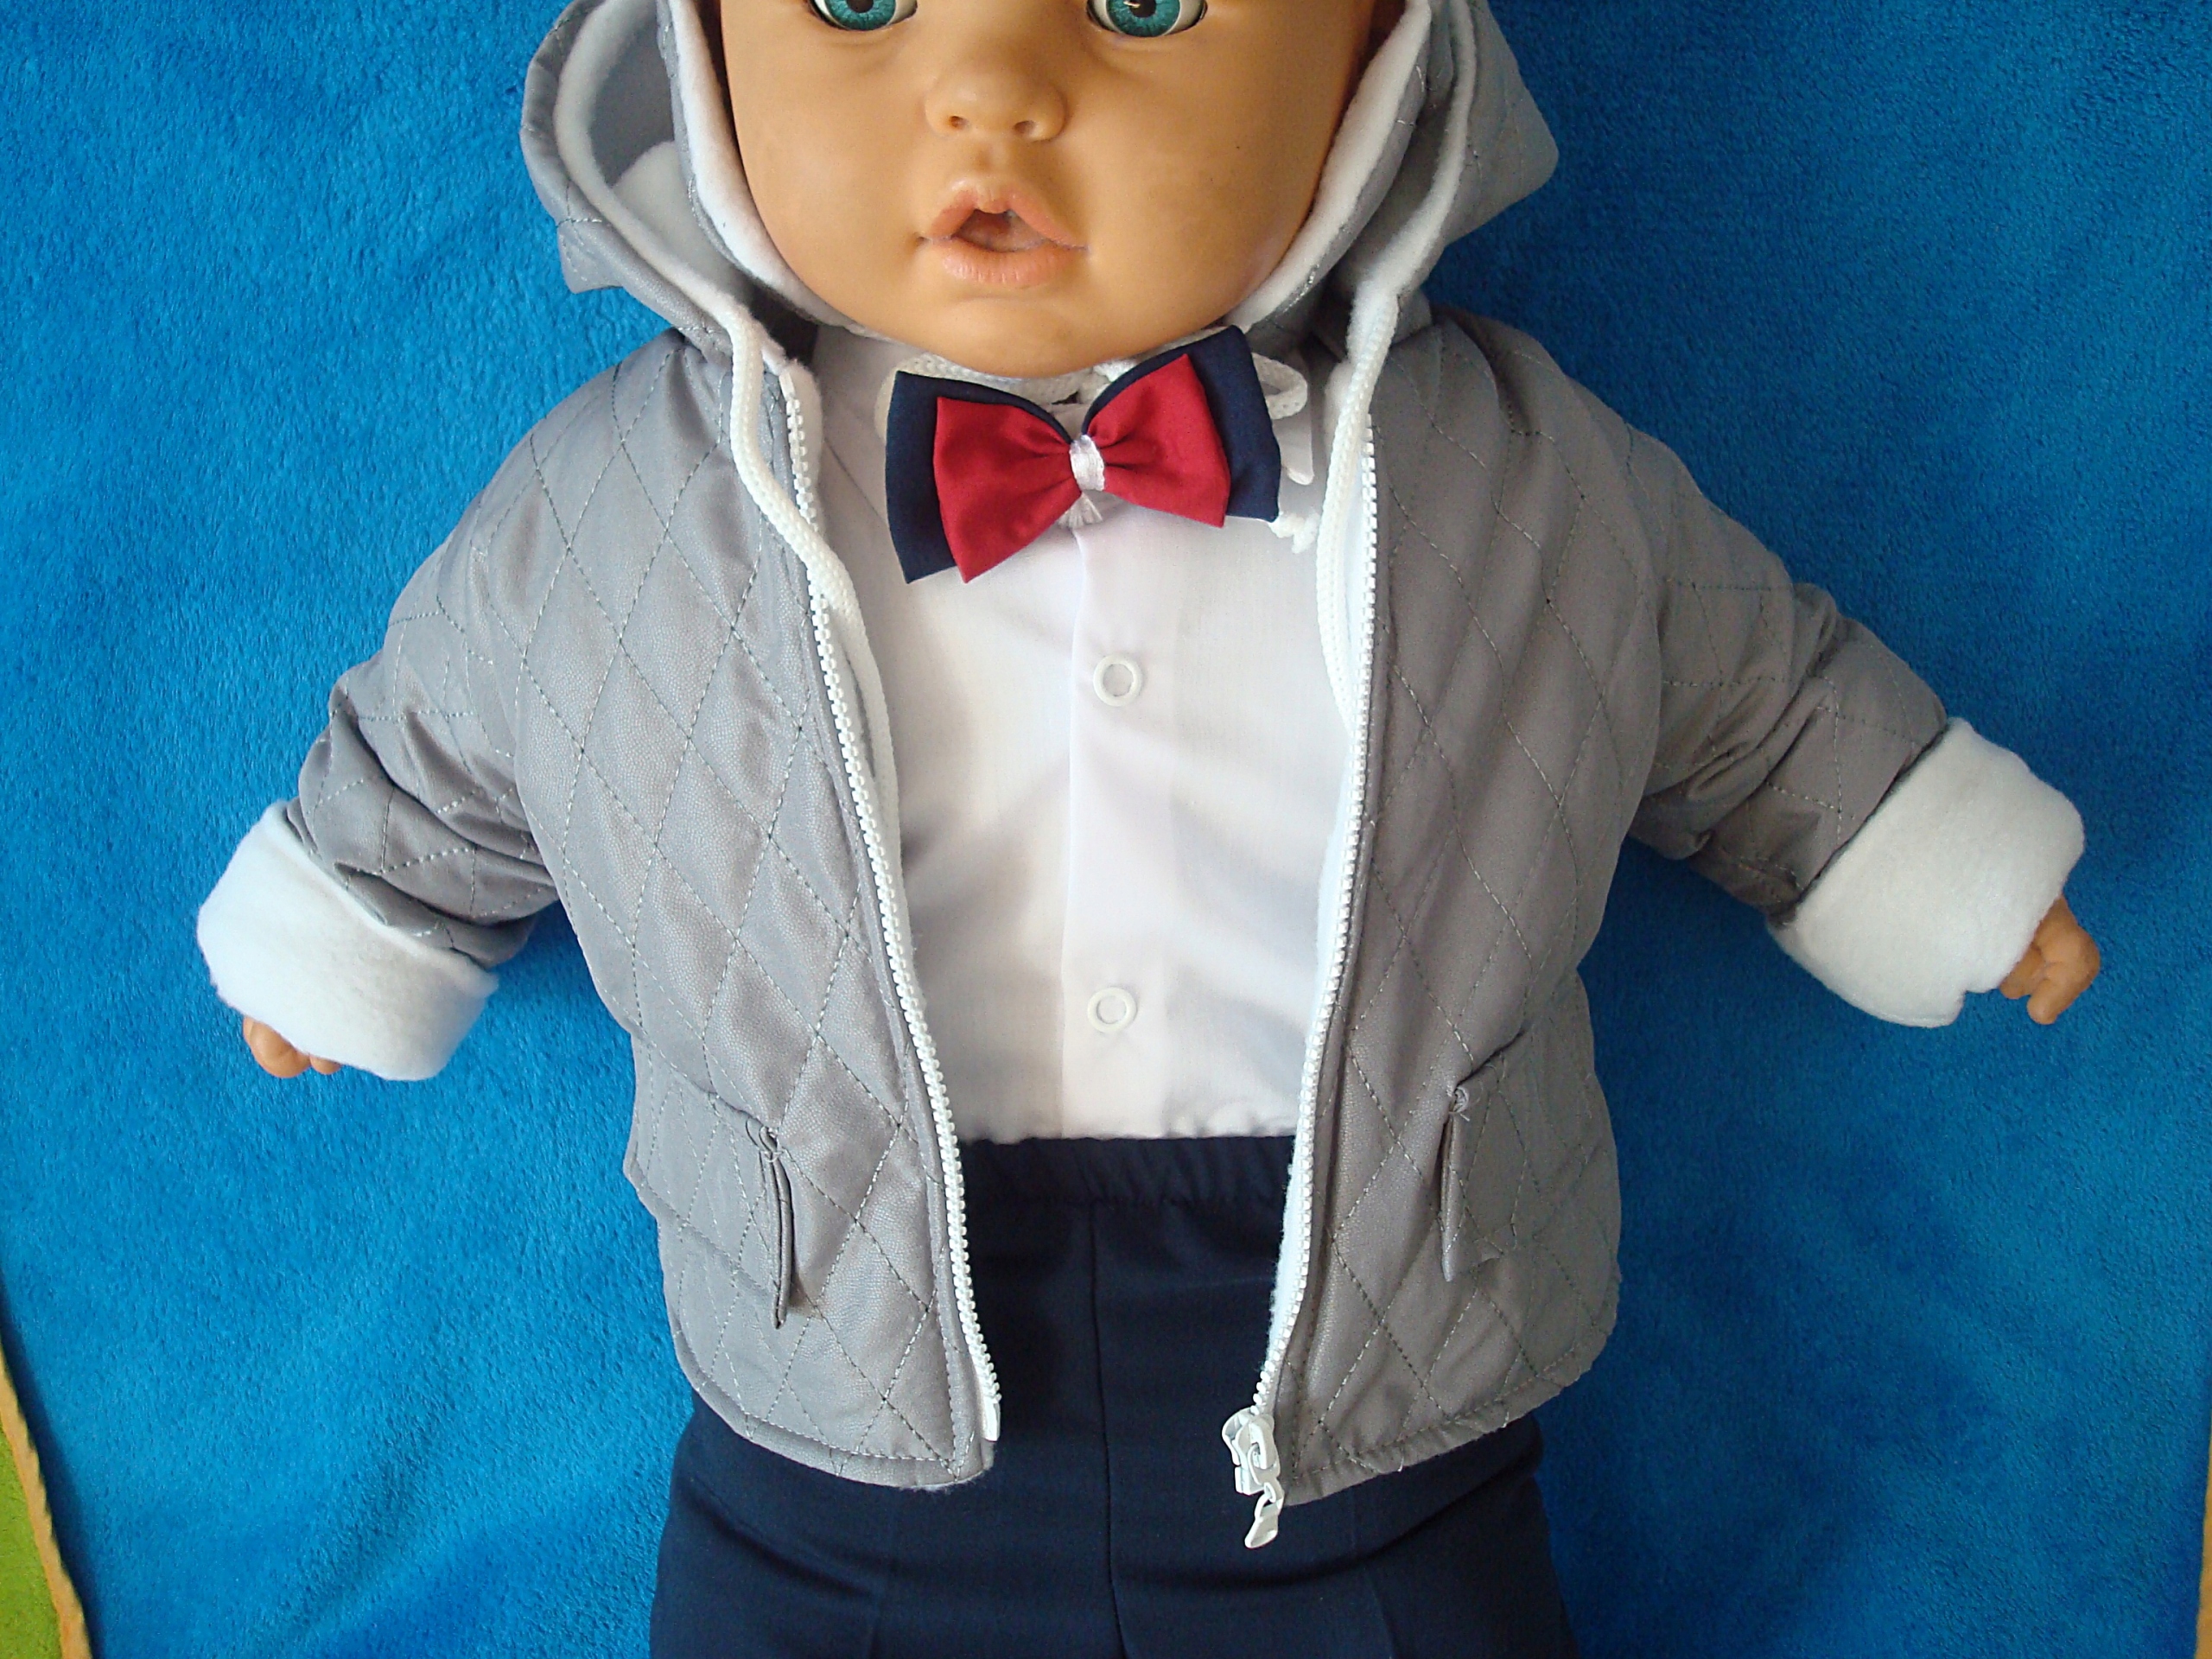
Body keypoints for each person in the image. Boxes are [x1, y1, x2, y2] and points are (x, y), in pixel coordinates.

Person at [194, 0, 2101, 1651]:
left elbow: (1748, 690)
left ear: (1371, 58)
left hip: (1384, 1399)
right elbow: (466, 718)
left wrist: (1926, 864)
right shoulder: (622, 503)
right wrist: (352, 916)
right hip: (833, 1412)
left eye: (1145, 2)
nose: (991, 88)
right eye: (856, 3)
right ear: (694, 54)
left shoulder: (1517, 477)